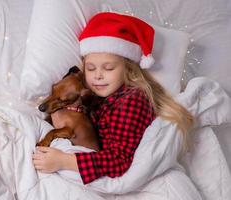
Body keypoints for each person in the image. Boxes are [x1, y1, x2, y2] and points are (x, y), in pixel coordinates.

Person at [32, 12, 193, 184]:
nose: (98, 76)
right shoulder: (96, 96)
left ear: (128, 70)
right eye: (91, 68)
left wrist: (64, 161)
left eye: (108, 68)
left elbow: (120, 160)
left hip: (126, 175)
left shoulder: (132, 100)